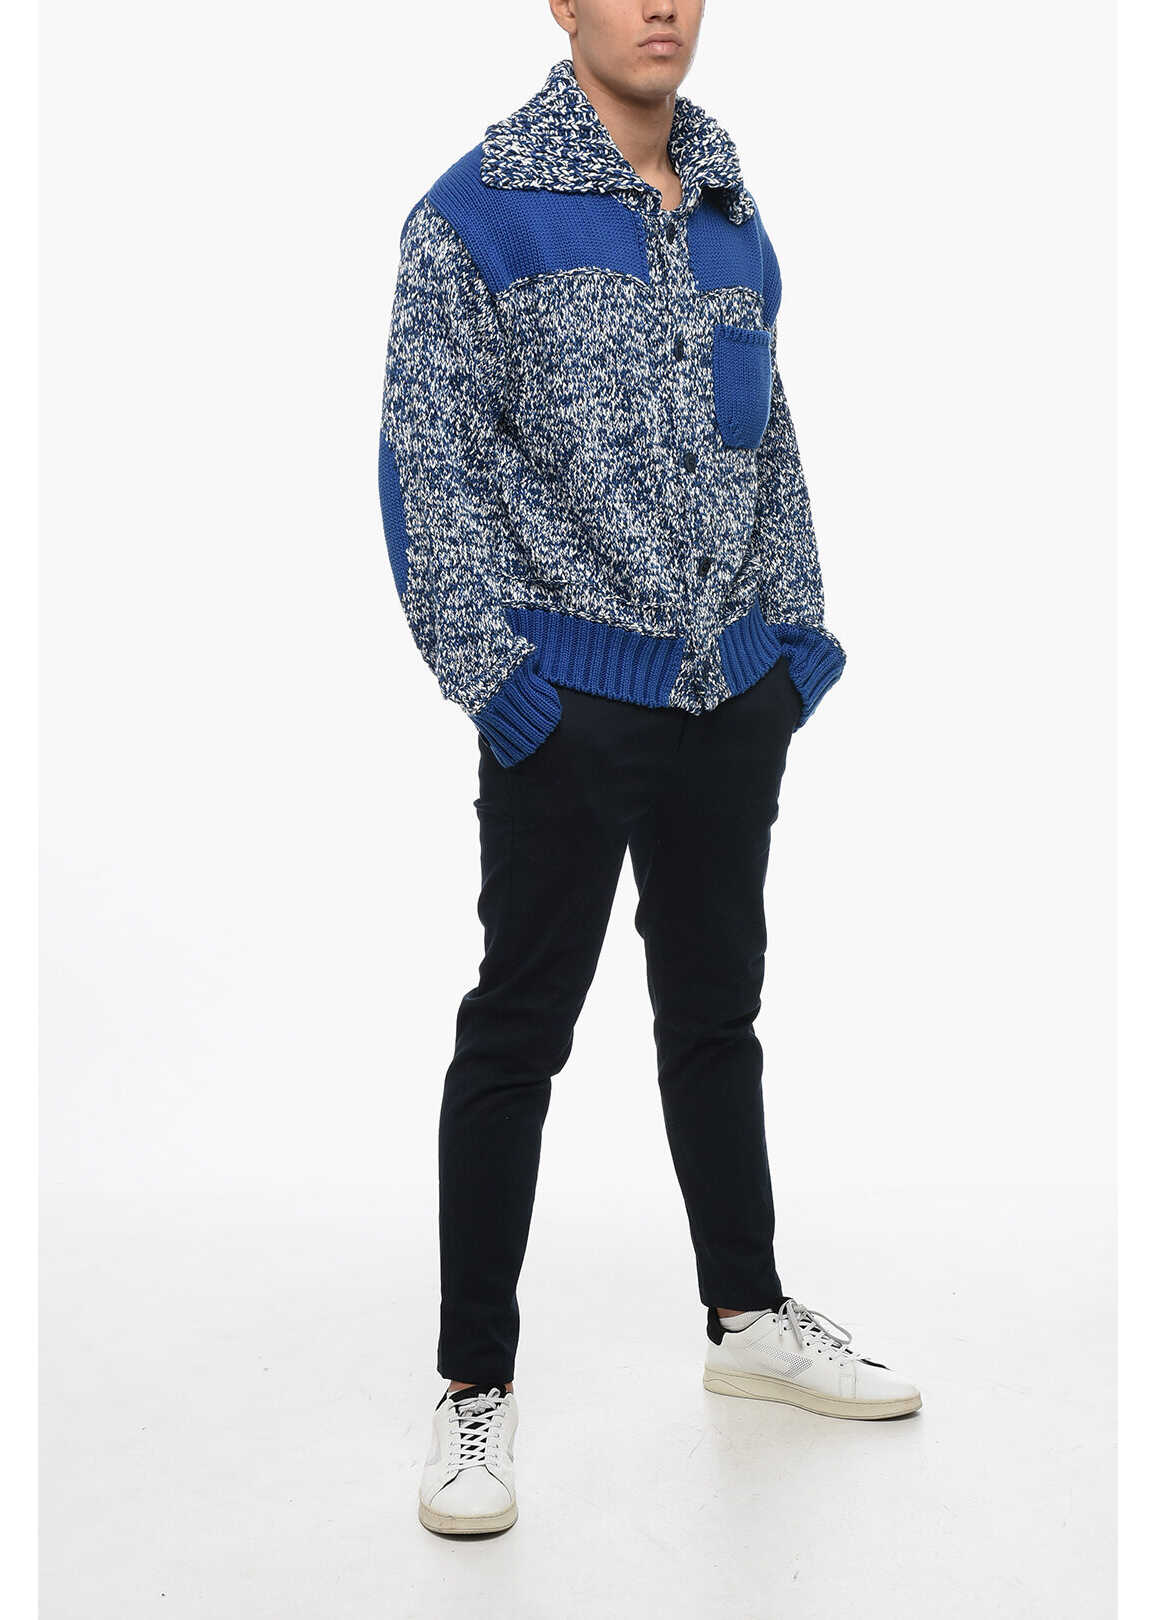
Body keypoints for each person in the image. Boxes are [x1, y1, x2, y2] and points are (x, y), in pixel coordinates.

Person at [378, 3, 921, 1538]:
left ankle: (745, 1318)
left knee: (716, 1010)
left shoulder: (731, 212)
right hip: (566, 700)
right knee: (517, 1030)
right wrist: (502, 687)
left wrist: (794, 648)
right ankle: (473, 1387)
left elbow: (770, 444)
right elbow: (426, 464)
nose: (661, 7)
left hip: (727, 699)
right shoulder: (475, 214)